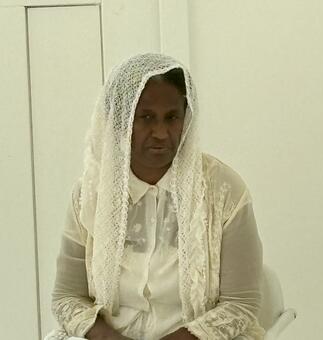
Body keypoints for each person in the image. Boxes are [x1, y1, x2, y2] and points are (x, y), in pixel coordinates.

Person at [44, 53, 265, 340]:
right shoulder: (90, 193)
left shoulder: (224, 190)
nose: (160, 132)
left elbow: (241, 304)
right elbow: (67, 297)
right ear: (120, 121)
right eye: (146, 117)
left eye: (172, 117)